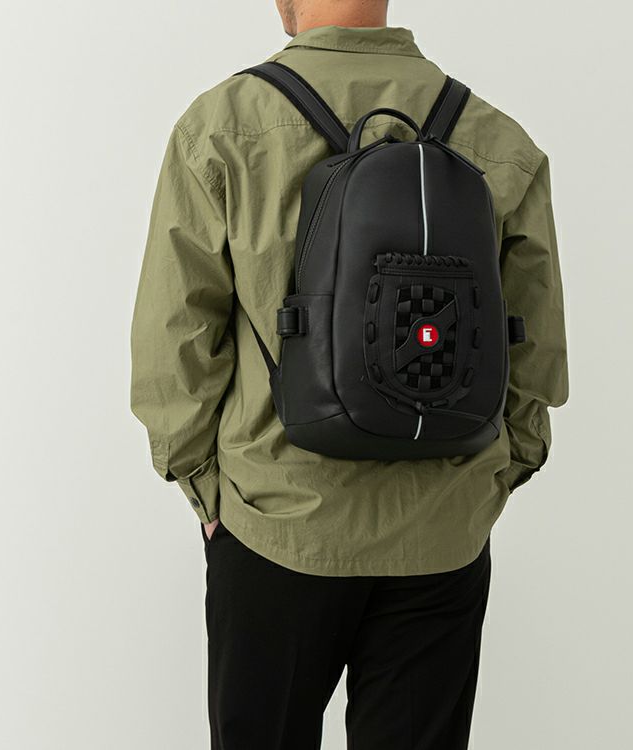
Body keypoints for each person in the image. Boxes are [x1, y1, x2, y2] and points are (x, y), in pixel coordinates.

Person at [130, 1, 569, 747]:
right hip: (442, 532)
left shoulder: (223, 126)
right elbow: (536, 345)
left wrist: (205, 488)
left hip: (275, 521)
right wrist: (494, 477)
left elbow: (174, 340)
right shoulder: (495, 138)